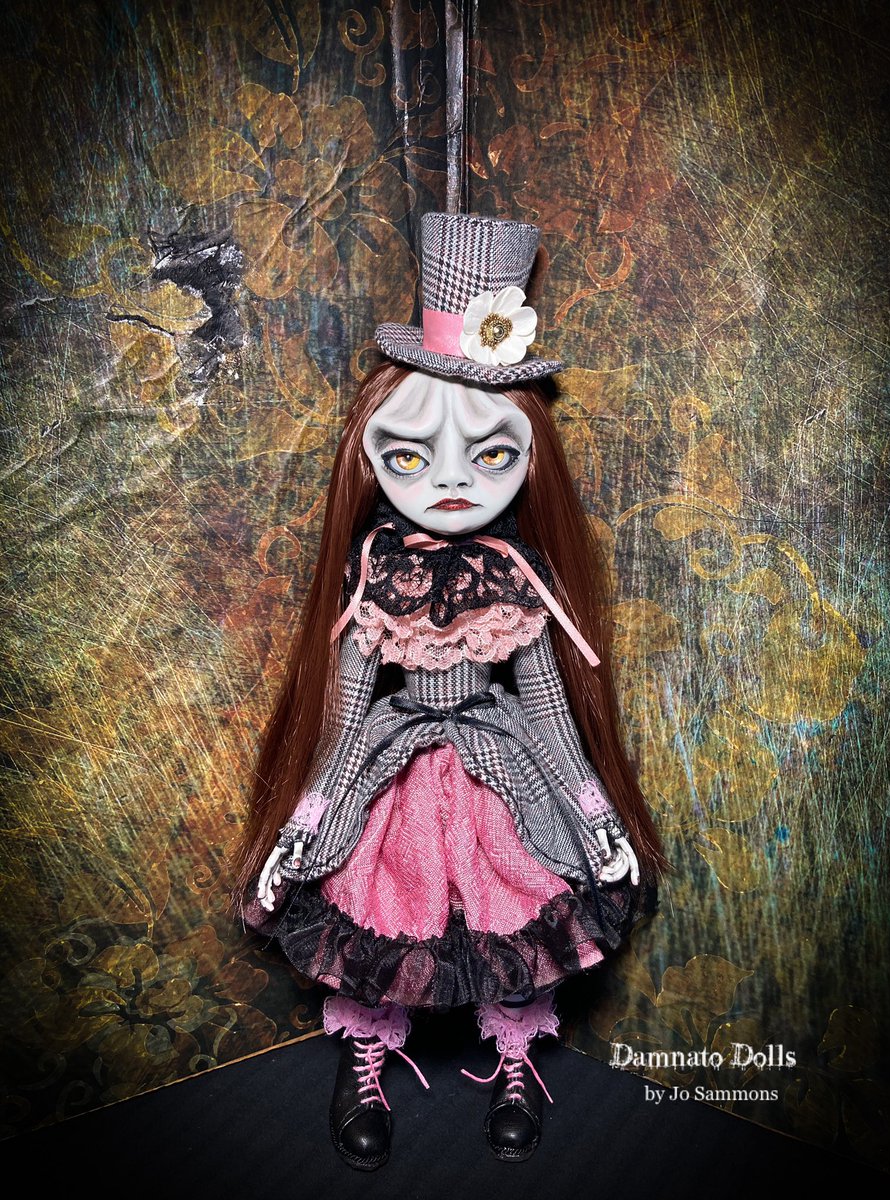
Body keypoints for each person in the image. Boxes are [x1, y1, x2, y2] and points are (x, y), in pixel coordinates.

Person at [235, 212, 667, 1171]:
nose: (452, 482)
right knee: (378, 905)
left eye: (492, 454)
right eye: (409, 455)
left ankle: (514, 1058)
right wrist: (303, 826)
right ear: (370, 457)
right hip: (392, 765)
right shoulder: (376, 572)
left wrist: (596, 815)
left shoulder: (514, 575)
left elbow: (548, 708)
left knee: (519, 898)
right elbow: (343, 719)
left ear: (530, 456)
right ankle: (364, 1057)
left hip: (501, 762)